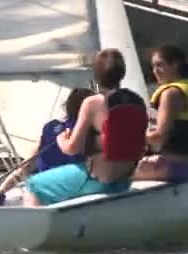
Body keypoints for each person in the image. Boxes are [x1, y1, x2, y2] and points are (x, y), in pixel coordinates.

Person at [22, 48, 149, 206]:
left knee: (33, 185)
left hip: (97, 179)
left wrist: (61, 139)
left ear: (96, 75)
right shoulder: (137, 100)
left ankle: (35, 229)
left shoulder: (93, 103)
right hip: (124, 180)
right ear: (122, 73)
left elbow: (73, 148)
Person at [132, 44, 188, 183]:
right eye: (153, 66)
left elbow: (159, 137)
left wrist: (130, 137)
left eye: (160, 65)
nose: (155, 71)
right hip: (187, 166)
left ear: (175, 65)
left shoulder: (171, 93)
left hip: (169, 168)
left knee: (109, 173)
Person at [0, 88, 94, 193]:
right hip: (74, 189)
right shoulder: (90, 130)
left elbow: (26, 166)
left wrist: (1, 190)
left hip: (47, 188)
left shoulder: (51, 128)